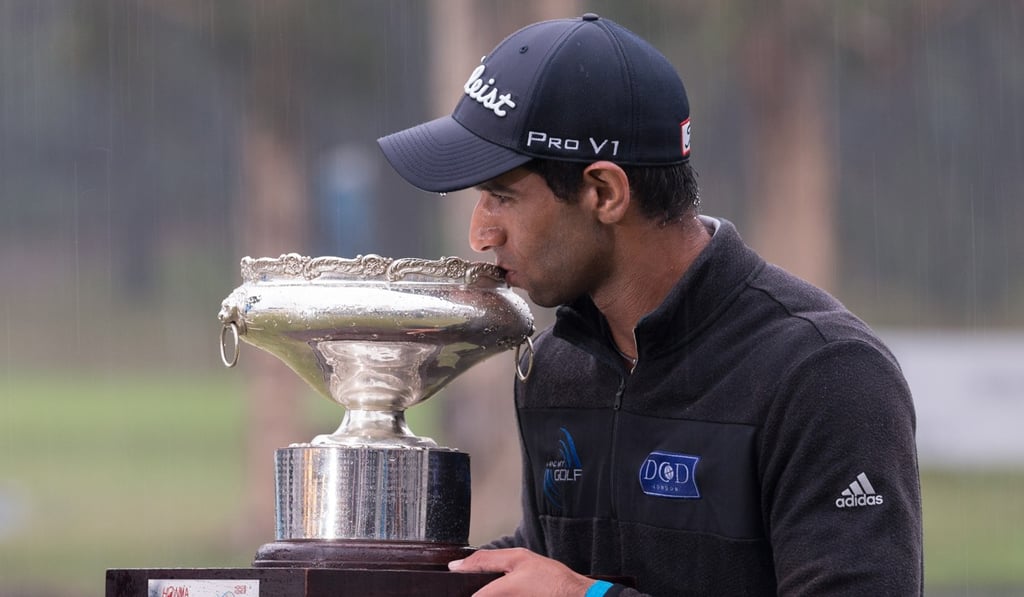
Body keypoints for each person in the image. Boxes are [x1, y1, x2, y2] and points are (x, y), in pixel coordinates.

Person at [378, 13, 923, 597]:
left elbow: (576, 587)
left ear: (604, 193)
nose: (480, 233)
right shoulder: (553, 368)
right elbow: (555, 565)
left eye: (500, 196)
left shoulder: (826, 374)